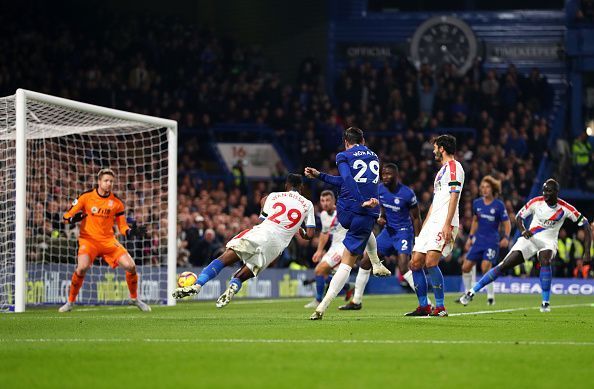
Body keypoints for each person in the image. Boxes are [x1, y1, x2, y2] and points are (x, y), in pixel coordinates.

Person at [172, 174, 316, 307]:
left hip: (262, 232)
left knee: (224, 258)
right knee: (250, 268)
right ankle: (233, 286)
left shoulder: (272, 196)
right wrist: (300, 230)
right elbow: (309, 234)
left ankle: (198, 285)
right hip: (276, 246)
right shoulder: (308, 204)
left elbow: (262, 219)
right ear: (301, 187)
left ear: (286, 185)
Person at [459, 179, 592, 312]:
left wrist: (587, 252)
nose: (545, 194)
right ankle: (471, 292)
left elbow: (586, 225)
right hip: (530, 238)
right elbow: (518, 217)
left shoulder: (565, 208)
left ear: (556, 192)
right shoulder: (536, 202)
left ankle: (545, 303)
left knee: (545, 260)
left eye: (549, 191)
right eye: (544, 191)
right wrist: (523, 230)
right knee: (504, 265)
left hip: (548, 241)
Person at [305, 127, 380, 320]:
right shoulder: (374, 157)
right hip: (369, 212)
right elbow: (351, 180)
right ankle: (376, 262)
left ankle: (321, 305)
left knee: (346, 262)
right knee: (350, 259)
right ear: (362, 140)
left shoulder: (343, 155)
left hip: (347, 213)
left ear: (346, 141)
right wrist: (320, 175)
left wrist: (359, 199)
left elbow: (347, 178)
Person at [59, 168, 150, 312]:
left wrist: (132, 232)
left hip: (108, 241)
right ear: (99, 181)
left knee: (131, 266)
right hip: (88, 240)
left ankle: (134, 299)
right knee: (81, 268)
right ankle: (70, 302)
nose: (109, 184)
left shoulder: (117, 203)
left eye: (111, 181)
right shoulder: (85, 197)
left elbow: (122, 227)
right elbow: (65, 217)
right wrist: (71, 219)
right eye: (106, 181)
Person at [339, 162, 423, 310]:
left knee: (404, 267)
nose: (385, 177)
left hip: (403, 231)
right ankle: (356, 301)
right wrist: (380, 216)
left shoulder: (407, 193)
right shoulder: (379, 189)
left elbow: (416, 218)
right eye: (383, 174)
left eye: (388, 174)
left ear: (396, 176)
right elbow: (381, 206)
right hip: (388, 232)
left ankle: (426, 303)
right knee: (365, 262)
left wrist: (418, 240)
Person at [405, 134, 465, 317]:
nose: (433, 151)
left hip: (445, 221)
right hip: (433, 222)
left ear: (442, 149)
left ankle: (440, 306)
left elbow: (454, 196)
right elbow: (435, 201)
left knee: (431, 261)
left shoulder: (455, 167)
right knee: (415, 263)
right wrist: (425, 226)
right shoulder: (441, 172)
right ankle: (424, 305)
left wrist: (447, 224)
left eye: (435, 147)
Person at [303, 190, 390, 310]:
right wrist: (319, 250)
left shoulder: (344, 210)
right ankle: (348, 286)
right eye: (323, 201)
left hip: (344, 246)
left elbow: (362, 223)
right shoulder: (323, 215)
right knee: (322, 273)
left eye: (328, 200)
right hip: (333, 247)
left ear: (334, 201)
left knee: (320, 270)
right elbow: (324, 233)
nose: (325, 203)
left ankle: (319, 300)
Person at [456, 176, 511, 306]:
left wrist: (507, 237)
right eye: (482, 187)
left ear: (493, 189)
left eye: (487, 187)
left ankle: (490, 297)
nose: (484, 190)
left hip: (492, 242)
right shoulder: (477, 203)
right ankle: (467, 293)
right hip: (478, 241)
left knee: (485, 268)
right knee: (465, 267)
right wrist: (470, 238)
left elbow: (507, 223)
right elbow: (475, 221)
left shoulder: (499, 205)